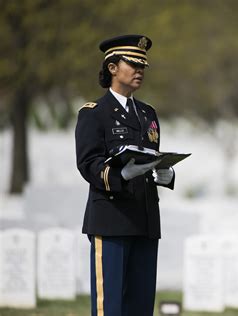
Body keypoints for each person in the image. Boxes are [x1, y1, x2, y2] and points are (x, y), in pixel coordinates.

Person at [75, 34, 175, 316]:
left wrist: (165, 174)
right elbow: (88, 164)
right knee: (111, 308)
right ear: (112, 68)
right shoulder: (94, 113)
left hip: (144, 220)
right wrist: (122, 175)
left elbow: (152, 157)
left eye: (143, 65)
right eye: (132, 64)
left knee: (140, 307)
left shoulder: (147, 113)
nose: (139, 70)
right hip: (111, 219)